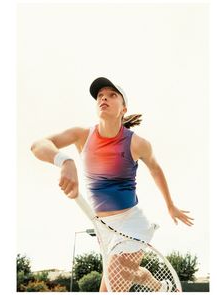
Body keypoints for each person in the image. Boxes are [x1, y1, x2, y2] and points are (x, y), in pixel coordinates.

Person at [31, 77, 194, 292]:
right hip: (103, 228)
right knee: (116, 281)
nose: (104, 98)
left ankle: (157, 286)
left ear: (123, 108)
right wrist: (65, 161)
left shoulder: (137, 143)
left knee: (116, 284)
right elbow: (38, 145)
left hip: (131, 223)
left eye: (111, 95)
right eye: (100, 96)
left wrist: (170, 205)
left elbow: (155, 169)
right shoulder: (82, 135)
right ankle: (158, 286)